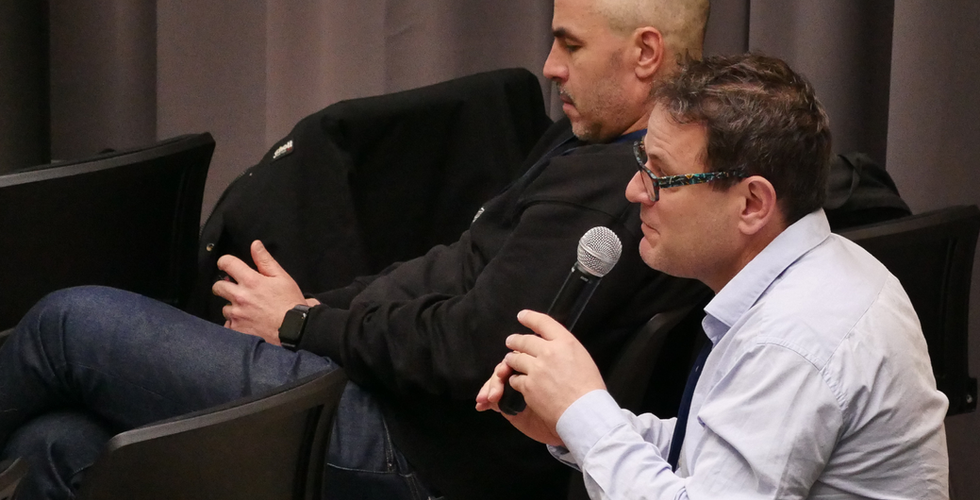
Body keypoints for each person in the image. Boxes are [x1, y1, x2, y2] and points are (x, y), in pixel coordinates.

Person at [0, 1, 712, 499]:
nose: (550, 67)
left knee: (69, 324)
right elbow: (454, 266)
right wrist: (314, 312)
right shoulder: (596, 141)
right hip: (394, 403)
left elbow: (470, 349)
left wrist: (302, 326)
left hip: (413, 454)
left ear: (647, 53)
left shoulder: (617, 189)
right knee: (56, 445)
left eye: (571, 44)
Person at [476, 53, 950, 499]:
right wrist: (572, 424)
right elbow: (713, 458)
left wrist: (585, 409)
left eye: (659, 175)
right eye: (641, 162)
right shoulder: (822, 267)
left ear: (751, 204)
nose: (634, 190)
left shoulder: (793, 339)